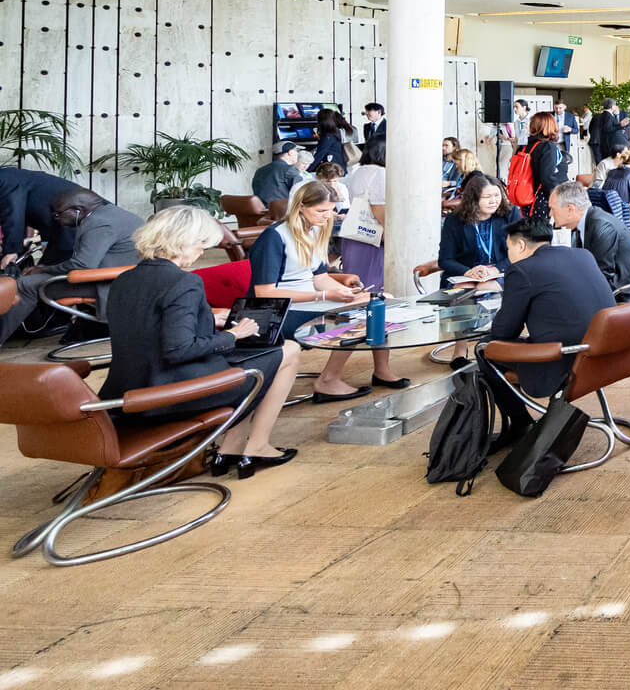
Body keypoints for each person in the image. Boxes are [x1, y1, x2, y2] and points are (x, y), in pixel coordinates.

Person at [105, 207, 303, 478]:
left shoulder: (124, 279)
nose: (202, 251)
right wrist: (234, 334)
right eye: (201, 244)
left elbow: (148, 326)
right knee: (288, 350)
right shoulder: (184, 282)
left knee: (251, 359)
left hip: (130, 390)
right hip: (174, 394)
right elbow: (179, 350)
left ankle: (231, 449)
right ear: (182, 241)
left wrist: (209, 321)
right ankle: (257, 446)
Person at [250, 182, 404, 397]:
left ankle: (382, 370)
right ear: (301, 207)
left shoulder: (312, 231)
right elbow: (264, 294)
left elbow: (319, 277)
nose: (328, 216)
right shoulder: (275, 237)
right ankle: (328, 380)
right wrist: (326, 295)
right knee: (356, 316)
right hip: (276, 311)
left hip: (306, 300)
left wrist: (352, 294)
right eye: (321, 211)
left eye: (331, 210)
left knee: (381, 301)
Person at [482, 218, 614, 446]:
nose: (509, 254)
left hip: (563, 361)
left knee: (485, 349)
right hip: (605, 354)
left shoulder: (522, 270)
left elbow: (503, 333)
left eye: (508, 247)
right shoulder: (582, 255)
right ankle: (523, 423)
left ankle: (520, 423)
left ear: (520, 245)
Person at [0, 188, 143, 344]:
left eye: (58, 214)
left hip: (107, 285)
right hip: (124, 280)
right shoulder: (114, 213)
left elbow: (82, 264)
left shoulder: (98, 224)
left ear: (77, 211)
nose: (55, 218)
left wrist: (43, 269)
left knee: (23, 285)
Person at [547, 181, 630, 292]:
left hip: (627, 290)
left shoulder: (601, 226)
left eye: (553, 209)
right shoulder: (584, 222)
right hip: (613, 284)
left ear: (570, 209)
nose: (550, 214)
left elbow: (601, 276)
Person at [0, 167, 87, 266]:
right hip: (66, 226)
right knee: (41, 271)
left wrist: (11, 251)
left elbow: (14, 215)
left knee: (46, 273)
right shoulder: (12, 178)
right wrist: (45, 243)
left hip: (76, 221)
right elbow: (42, 209)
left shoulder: (5, 178)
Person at [439, 175, 514, 281]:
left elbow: (523, 252)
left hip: (502, 272)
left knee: (486, 287)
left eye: (497, 195)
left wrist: (496, 269)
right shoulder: (455, 220)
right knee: (468, 291)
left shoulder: (510, 214)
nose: (493, 201)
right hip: (467, 275)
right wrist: (468, 272)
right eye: (487, 197)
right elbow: (445, 260)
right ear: (473, 198)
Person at [339, 138, 389, 288]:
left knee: (356, 281)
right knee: (373, 282)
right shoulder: (380, 173)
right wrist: (388, 233)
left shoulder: (357, 171)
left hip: (354, 231)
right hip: (373, 235)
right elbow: (377, 206)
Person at [524, 110, 568, 228]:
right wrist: (559, 199)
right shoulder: (547, 147)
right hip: (543, 200)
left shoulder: (526, 146)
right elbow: (547, 177)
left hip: (527, 198)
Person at [253, 142, 303, 207]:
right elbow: (301, 193)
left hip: (262, 213)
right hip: (283, 213)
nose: (298, 154)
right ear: (290, 152)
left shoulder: (260, 170)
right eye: (297, 151)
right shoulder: (290, 169)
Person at [589, 98, 622, 165]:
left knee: (599, 162)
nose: (616, 107)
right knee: (604, 162)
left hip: (595, 141)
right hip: (603, 142)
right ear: (612, 106)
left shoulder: (597, 116)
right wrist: (620, 125)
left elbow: (590, 128)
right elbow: (608, 129)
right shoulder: (609, 116)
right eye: (615, 105)